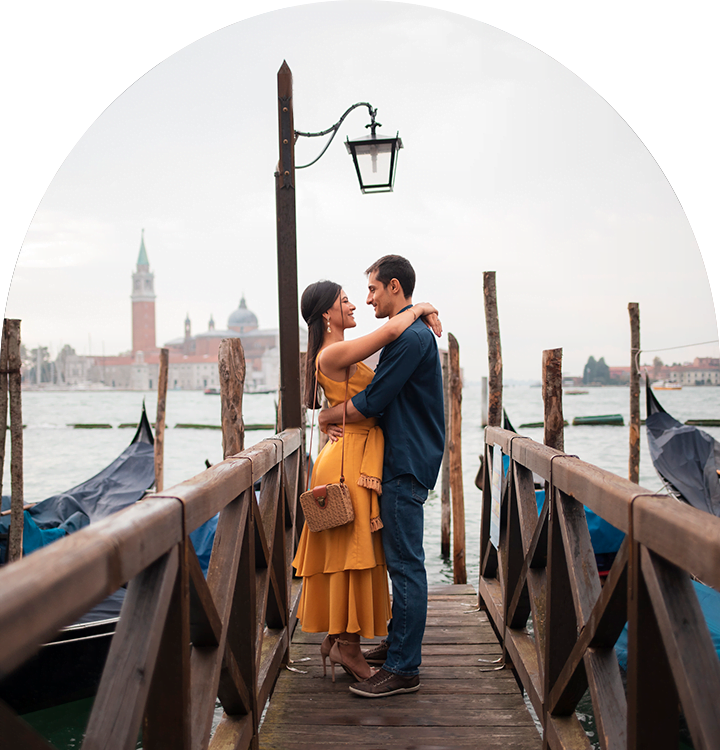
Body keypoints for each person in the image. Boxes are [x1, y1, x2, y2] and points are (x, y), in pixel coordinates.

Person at [292, 279, 441, 683]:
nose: (355, 304)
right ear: (326, 313)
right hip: (349, 459)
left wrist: (327, 415)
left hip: (357, 456)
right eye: (345, 301)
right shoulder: (333, 351)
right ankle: (349, 648)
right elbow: (391, 331)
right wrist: (422, 306)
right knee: (352, 556)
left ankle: (341, 640)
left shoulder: (337, 352)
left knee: (352, 553)